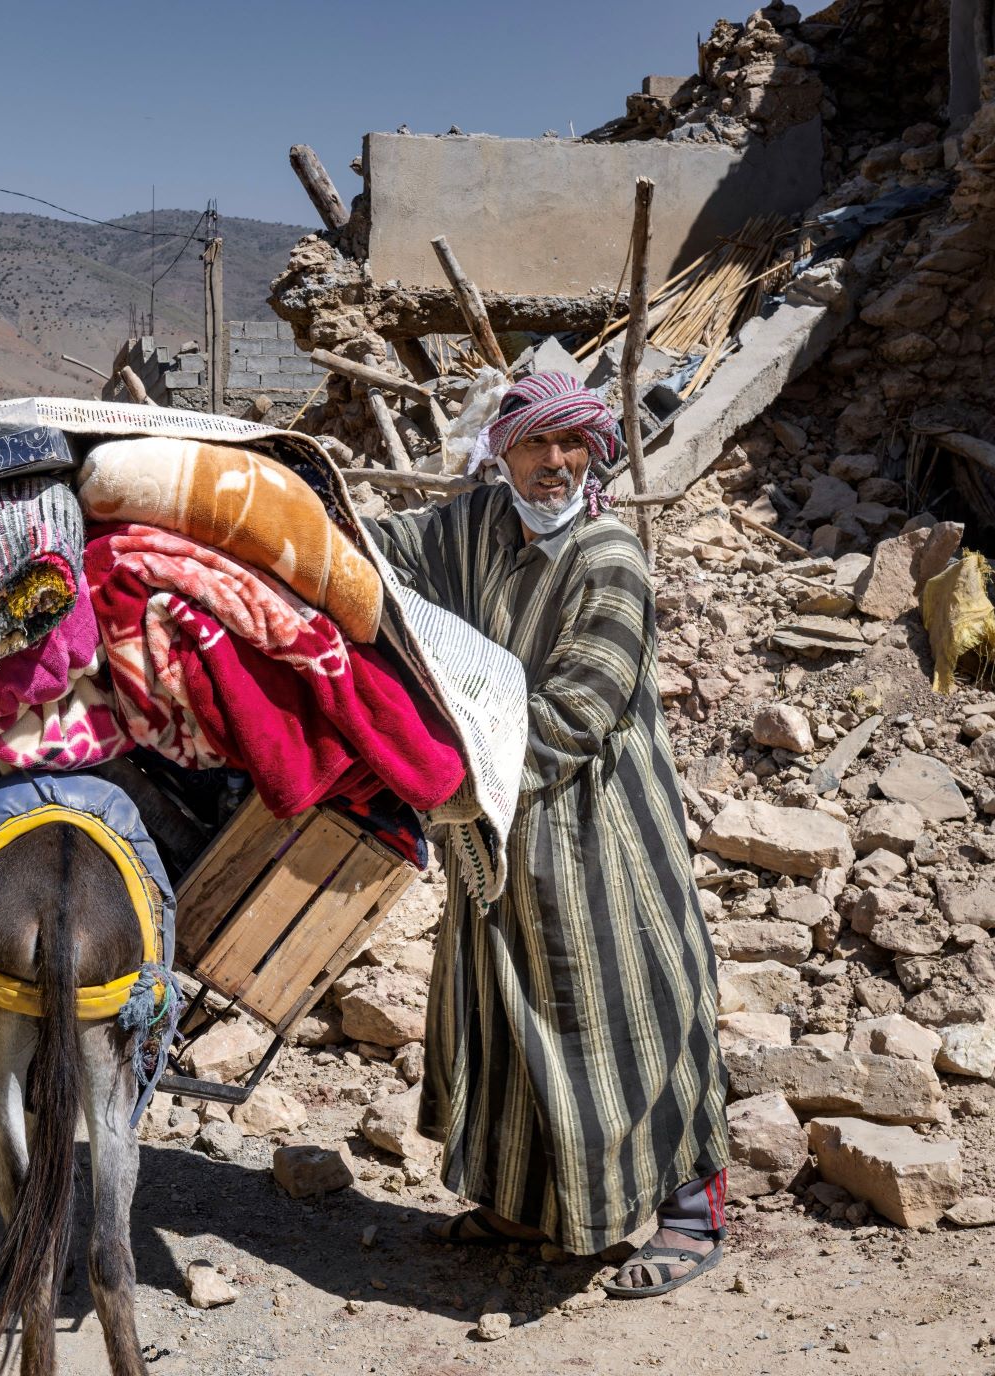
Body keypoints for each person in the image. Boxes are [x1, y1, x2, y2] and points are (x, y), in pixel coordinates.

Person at [366, 370, 730, 1298]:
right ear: (505, 448)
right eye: (537, 444)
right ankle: (527, 1203)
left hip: (602, 836)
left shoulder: (609, 557)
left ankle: (692, 1212)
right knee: (506, 1009)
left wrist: (452, 784)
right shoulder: (477, 526)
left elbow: (579, 710)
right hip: (498, 843)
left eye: (574, 446)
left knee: (624, 1010)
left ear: (595, 452)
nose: (556, 463)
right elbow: (377, 554)